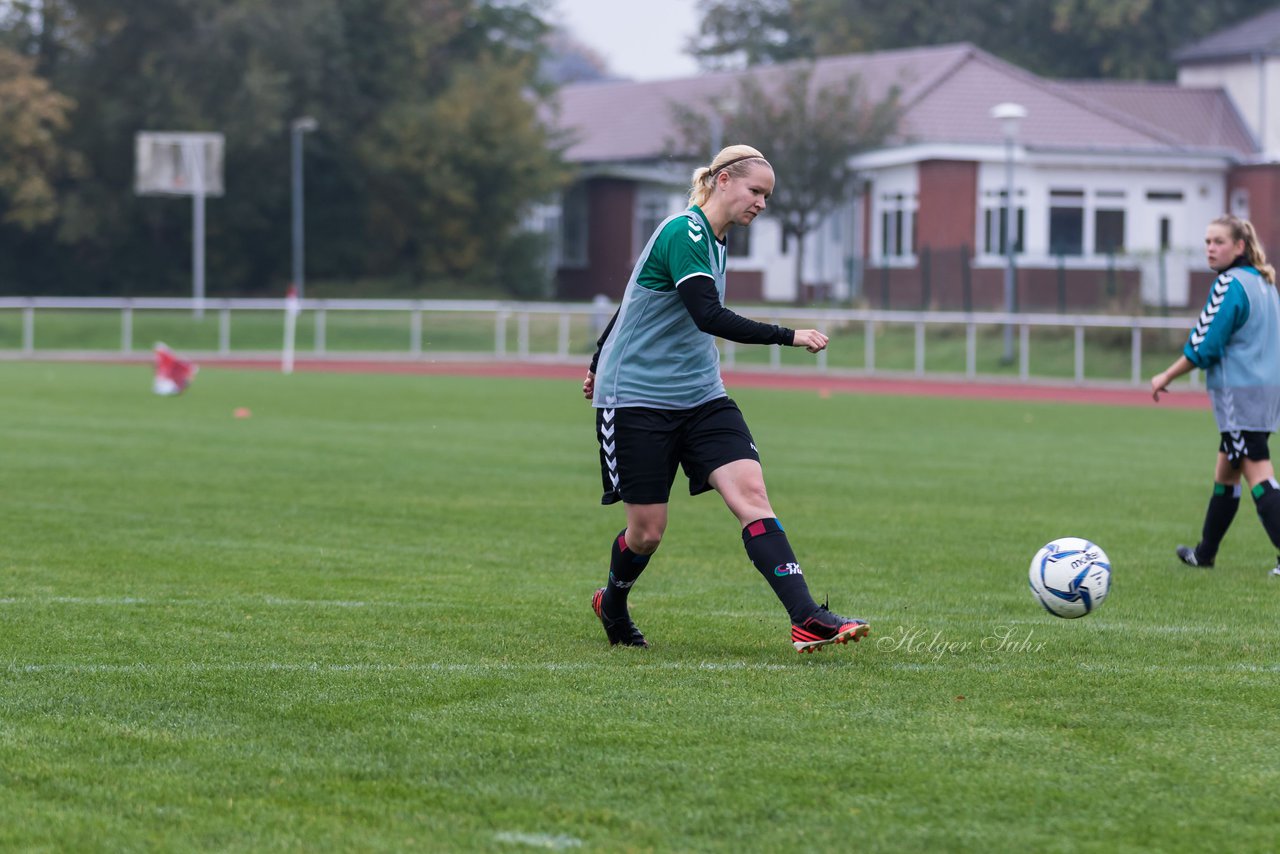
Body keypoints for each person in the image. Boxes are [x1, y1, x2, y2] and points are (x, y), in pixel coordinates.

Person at [581, 144, 870, 652]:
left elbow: (638, 304)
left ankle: (807, 617)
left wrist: (593, 358)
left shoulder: (716, 241)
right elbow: (707, 316)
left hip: (702, 395)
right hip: (636, 399)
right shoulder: (683, 232)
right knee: (646, 532)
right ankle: (614, 602)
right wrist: (789, 335)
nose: (762, 203)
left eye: (767, 196)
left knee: (751, 496)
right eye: (756, 191)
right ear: (722, 181)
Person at [1151, 214, 1280, 576]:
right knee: (1226, 472)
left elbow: (1204, 345)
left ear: (1239, 246)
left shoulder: (1230, 284)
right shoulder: (1265, 284)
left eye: (1218, 241)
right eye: (1207, 241)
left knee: (1258, 474)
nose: (1210, 248)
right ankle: (1204, 553)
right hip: (1265, 392)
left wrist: (1166, 375)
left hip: (1239, 395)